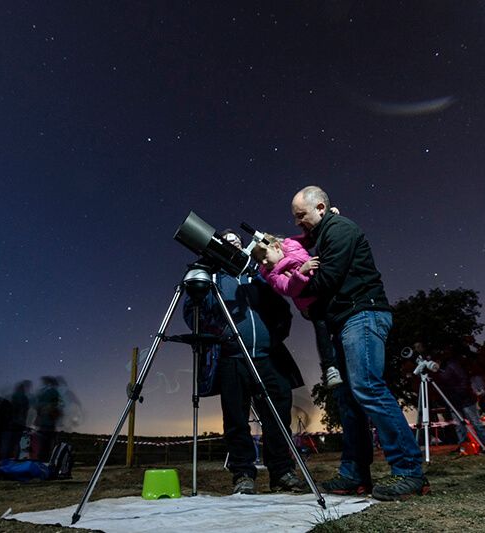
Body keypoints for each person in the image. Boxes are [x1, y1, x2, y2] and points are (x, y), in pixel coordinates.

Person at [291, 186, 428, 501]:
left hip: (363, 315)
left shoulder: (339, 230)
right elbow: (296, 246)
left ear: (321, 207)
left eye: (301, 216)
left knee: (367, 387)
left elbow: (328, 279)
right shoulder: (325, 234)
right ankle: (354, 476)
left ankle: (409, 472)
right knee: (348, 400)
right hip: (346, 320)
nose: (298, 224)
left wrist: (299, 287)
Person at [183, 229, 307, 495]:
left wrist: (273, 337)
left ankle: (282, 472)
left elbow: (283, 311)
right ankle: (242, 473)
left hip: (267, 357)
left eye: (237, 242)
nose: (234, 246)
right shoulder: (212, 278)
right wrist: (221, 334)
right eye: (226, 243)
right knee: (236, 419)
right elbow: (191, 314)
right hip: (232, 358)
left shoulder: (259, 275)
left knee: (277, 416)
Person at [250, 233, 343, 388]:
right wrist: (301, 272)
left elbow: (311, 236)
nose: (264, 262)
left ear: (276, 247)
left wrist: (329, 216)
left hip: (327, 291)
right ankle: (330, 368)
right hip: (311, 303)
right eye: (260, 261)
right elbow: (287, 288)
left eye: (265, 256)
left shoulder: (292, 244)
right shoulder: (271, 274)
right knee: (322, 328)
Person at [432, 346, 485, 454]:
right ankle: (464, 446)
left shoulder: (452, 366)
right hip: (453, 401)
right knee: (458, 425)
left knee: (475, 423)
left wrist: (460, 393)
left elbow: (463, 380)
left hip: (465, 399)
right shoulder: (438, 372)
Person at [33, 376, 62, 462]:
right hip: (47, 423)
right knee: (46, 445)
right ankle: (45, 460)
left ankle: (42, 460)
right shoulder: (53, 392)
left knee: (44, 444)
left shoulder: (45, 392)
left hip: (46, 422)